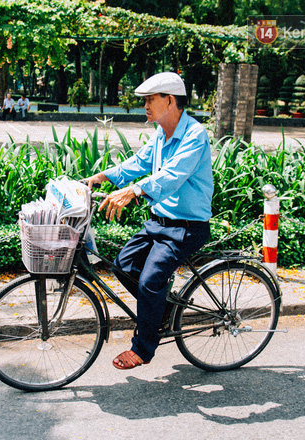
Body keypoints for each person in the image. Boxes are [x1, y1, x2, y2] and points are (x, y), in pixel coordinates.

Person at [84, 72, 214, 370]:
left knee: (150, 281)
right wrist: (100, 177)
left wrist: (135, 190)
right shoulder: (161, 133)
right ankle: (163, 310)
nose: (145, 105)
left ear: (170, 100)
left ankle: (143, 348)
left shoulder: (194, 135)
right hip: (160, 222)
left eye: (150, 100)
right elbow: (140, 162)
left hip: (186, 227)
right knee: (123, 264)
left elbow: (173, 176)